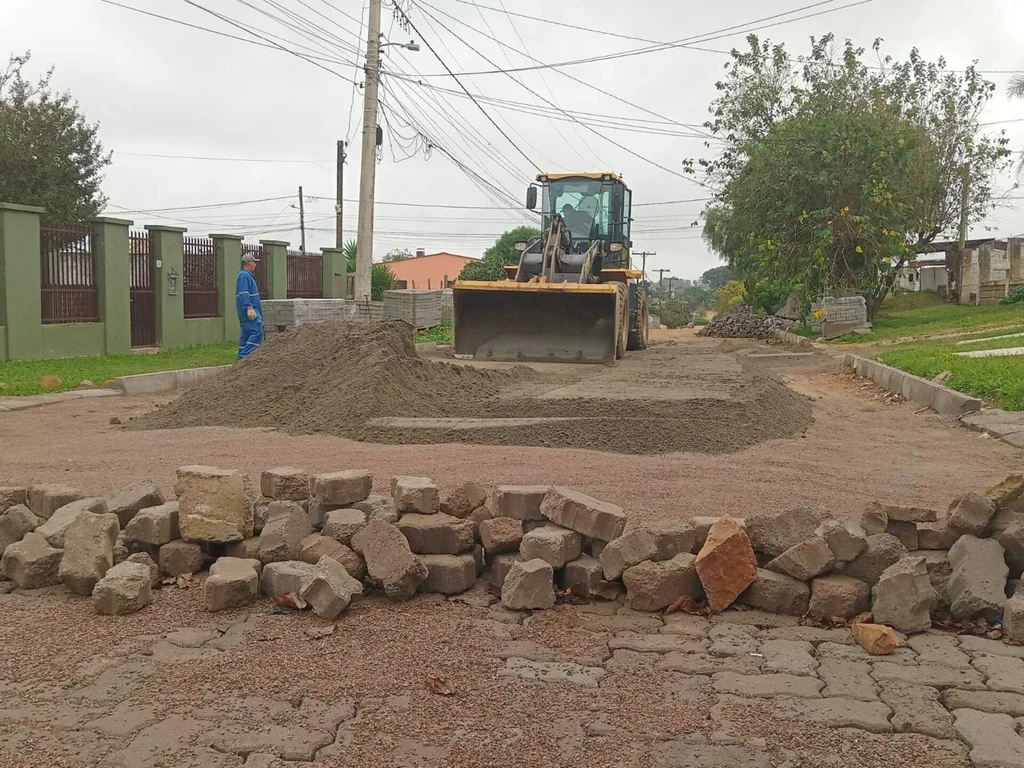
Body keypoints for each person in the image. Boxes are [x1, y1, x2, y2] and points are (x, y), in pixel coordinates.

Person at [236, 253, 263, 360]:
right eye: (254, 262)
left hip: (246, 312)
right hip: (250, 312)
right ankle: (244, 357)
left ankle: (239, 362)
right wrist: (249, 307)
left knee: (246, 336)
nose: (255, 265)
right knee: (257, 332)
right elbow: (243, 293)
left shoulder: (246, 276)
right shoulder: (244, 276)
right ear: (248, 263)